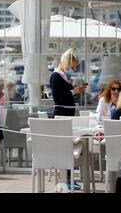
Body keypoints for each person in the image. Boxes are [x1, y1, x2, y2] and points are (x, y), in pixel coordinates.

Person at [49, 48, 85, 190]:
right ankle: (66, 178)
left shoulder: (62, 76)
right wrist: (73, 91)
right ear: (67, 62)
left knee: (68, 147)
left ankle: (69, 177)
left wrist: (74, 91)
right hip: (62, 114)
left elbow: (65, 95)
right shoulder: (56, 76)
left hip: (67, 114)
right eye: (72, 65)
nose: (73, 68)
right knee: (65, 147)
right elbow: (58, 98)